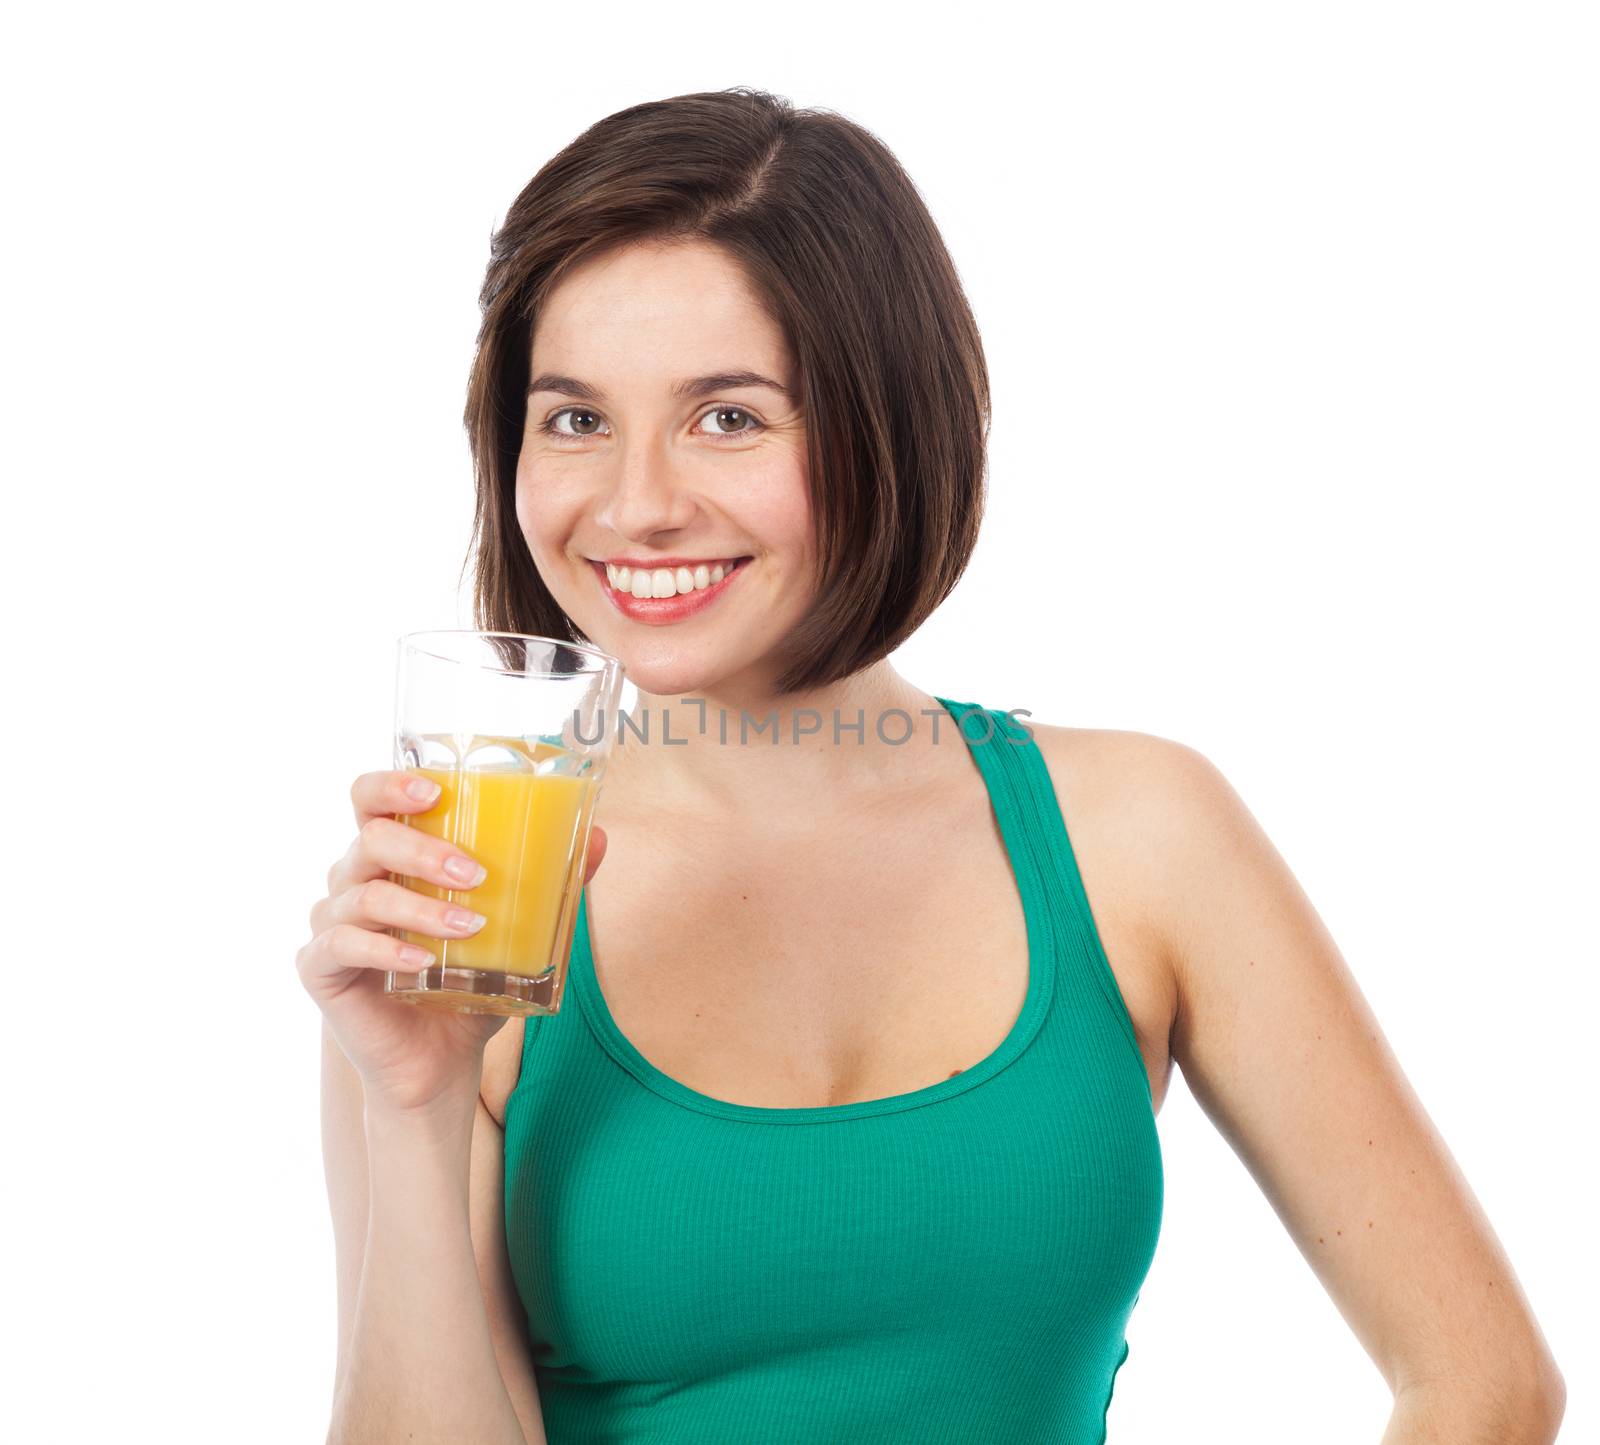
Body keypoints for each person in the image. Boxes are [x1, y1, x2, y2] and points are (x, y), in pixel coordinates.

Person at [300, 88, 1566, 1445]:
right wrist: (418, 1107)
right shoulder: (464, 905)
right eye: (573, 419)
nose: (635, 502)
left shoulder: (1138, 834)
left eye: (727, 417)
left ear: (884, 422)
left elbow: (1482, 1382)